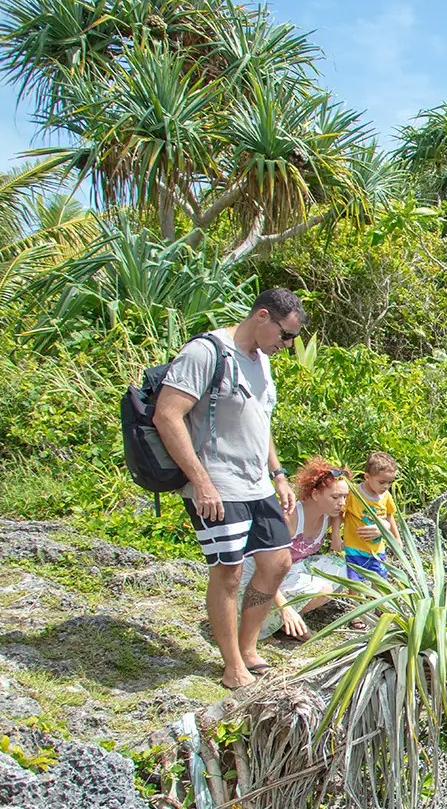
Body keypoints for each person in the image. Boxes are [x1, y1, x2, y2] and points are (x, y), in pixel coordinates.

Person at [152, 288, 306, 689]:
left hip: (258, 484)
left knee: (277, 564)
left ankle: (249, 646)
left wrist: (279, 474)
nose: (287, 346)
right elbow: (167, 415)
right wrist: (201, 481)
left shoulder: (263, 361)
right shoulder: (206, 353)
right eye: (285, 335)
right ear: (261, 317)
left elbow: (261, 420)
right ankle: (232, 664)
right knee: (229, 573)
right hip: (218, 484)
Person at [268, 458, 350, 640]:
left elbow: (352, 514)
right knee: (324, 588)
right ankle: (280, 618)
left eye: (345, 496)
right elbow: (264, 569)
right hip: (271, 575)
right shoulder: (291, 517)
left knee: (344, 567)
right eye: (335, 497)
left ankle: (294, 617)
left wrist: (335, 535)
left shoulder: (329, 514)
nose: (342, 503)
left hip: (295, 568)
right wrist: (285, 607)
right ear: (315, 494)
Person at [340, 451, 399, 581]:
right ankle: (355, 601)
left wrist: (396, 538)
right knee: (354, 581)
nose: (386, 487)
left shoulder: (386, 496)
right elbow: (339, 514)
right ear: (367, 477)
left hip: (377, 550)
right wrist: (335, 537)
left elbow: (389, 516)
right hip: (355, 548)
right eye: (382, 482)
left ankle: (378, 601)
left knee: (380, 580)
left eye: (389, 482)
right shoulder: (353, 493)